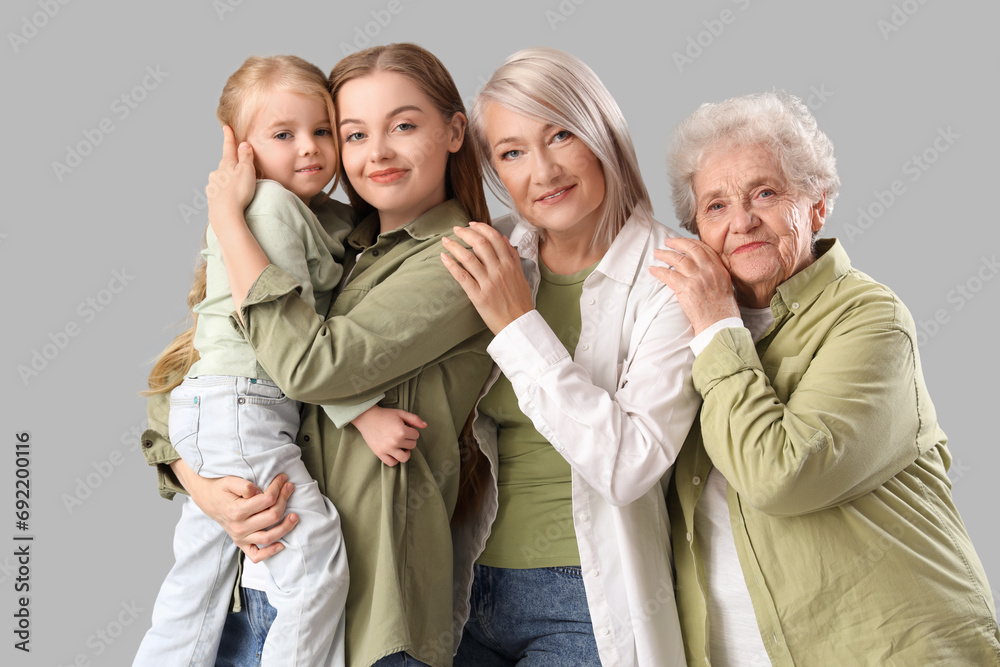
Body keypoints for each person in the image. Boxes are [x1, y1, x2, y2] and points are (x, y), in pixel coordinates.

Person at [140, 43, 495, 667]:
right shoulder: (334, 244)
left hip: (369, 616)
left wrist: (227, 220)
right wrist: (205, 490)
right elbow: (193, 387)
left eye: (403, 125)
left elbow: (308, 368)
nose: (375, 152)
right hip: (252, 599)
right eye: (354, 133)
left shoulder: (455, 259)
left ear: (454, 131)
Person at [651, 90, 1000, 665]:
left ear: (817, 204)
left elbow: (780, 475)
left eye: (765, 193)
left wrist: (715, 325)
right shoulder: (679, 333)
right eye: (715, 206)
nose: (741, 221)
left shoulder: (871, 318)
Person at [441, 47, 699, 667]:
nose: (543, 170)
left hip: (584, 599)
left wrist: (517, 324)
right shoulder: (497, 253)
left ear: (602, 132)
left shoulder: (673, 275)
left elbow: (631, 465)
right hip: (464, 584)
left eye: (560, 134)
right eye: (511, 152)